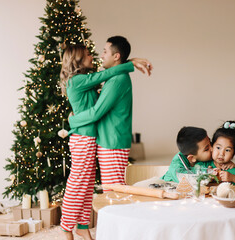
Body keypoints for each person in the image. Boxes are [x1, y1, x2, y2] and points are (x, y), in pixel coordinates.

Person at [59, 44, 152, 240]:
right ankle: (65, 227)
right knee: (77, 183)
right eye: (87, 54)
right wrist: (130, 63)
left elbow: (105, 75)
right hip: (82, 138)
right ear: (77, 59)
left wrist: (128, 62)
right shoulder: (77, 80)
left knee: (87, 184)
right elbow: (103, 79)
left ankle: (83, 227)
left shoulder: (85, 80)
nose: (92, 56)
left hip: (89, 138)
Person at [68, 36, 151, 191]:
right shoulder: (113, 77)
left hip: (112, 144)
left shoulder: (117, 80)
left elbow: (96, 113)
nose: (101, 55)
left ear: (116, 56)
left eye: (105, 51)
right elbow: (103, 76)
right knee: (112, 192)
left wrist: (72, 121)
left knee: (114, 193)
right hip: (109, 142)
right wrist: (130, 62)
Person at [161, 126, 234, 183]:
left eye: (210, 143)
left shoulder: (205, 157)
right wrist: (206, 172)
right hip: (169, 188)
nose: (212, 149)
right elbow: (183, 177)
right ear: (192, 158)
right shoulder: (177, 163)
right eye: (206, 149)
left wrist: (226, 162)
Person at [209, 120, 235, 185]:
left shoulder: (230, 169)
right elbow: (192, 172)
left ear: (233, 154)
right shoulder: (205, 164)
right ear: (211, 147)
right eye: (218, 148)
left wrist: (234, 178)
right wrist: (207, 173)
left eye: (227, 150)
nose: (221, 154)